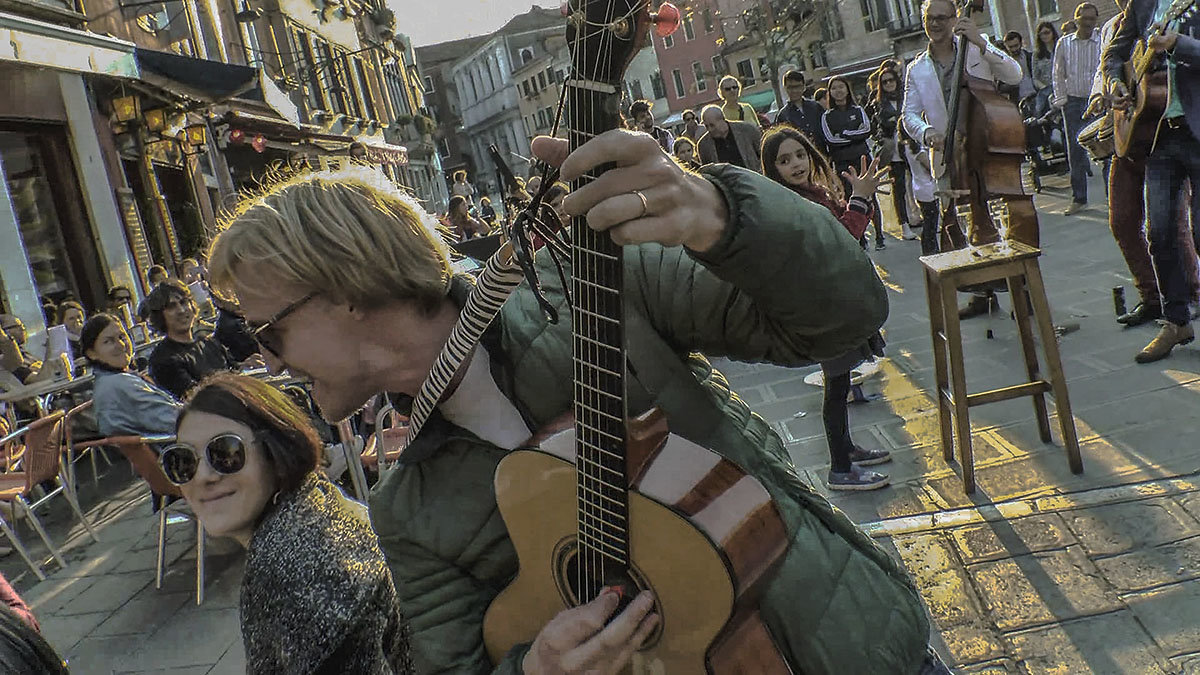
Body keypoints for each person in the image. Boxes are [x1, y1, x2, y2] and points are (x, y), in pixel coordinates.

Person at [206, 142, 938, 672]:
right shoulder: (408, 513)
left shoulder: (592, 284)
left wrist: (717, 213)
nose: (265, 360)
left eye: (270, 328)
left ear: (348, 289)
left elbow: (845, 316)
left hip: (857, 645)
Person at [166, 373, 414, 673]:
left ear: (275, 449)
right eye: (183, 461)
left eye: (225, 453)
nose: (203, 477)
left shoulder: (299, 572)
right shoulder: (312, 504)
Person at [760, 126, 893, 489]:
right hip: (822, 307)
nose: (796, 164)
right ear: (773, 171)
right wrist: (861, 198)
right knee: (835, 386)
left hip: (833, 301)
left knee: (841, 380)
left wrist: (857, 199)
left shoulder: (811, 193)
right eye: (784, 161)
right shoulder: (794, 204)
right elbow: (842, 240)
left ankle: (847, 449)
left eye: (799, 155)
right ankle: (839, 469)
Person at [902, 0, 1027, 316]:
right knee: (963, 222)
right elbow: (908, 116)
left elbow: (1014, 75)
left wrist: (982, 42)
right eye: (930, 18)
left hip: (986, 147)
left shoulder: (975, 50)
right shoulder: (916, 69)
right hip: (949, 156)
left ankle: (1021, 288)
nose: (936, 24)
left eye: (942, 17)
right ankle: (982, 293)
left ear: (955, 18)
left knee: (1002, 219)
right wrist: (926, 131)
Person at [1104, 0, 1200, 362]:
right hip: (1158, 132)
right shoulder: (1141, 3)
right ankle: (1176, 320)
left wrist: (1179, 44)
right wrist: (1115, 81)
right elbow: (1116, 51)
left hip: (1197, 128)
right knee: (1158, 232)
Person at [80, 313, 181, 438]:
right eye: (108, 341)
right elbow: (175, 421)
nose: (121, 345)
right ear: (92, 353)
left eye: (122, 337)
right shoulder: (120, 384)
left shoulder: (109, 381)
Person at [145, 280, 240, 400]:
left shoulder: (209, 343)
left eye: (184, 302)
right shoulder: (163, 360)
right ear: (160, 316)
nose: (181, 310)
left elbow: (235, 371)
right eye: (171, 307)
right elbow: (196, 398)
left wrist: (247, 366)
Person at [821, 76, 882, 249]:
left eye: (841, 87)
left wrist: (846, 134)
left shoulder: (857, 110)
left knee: (871, 197)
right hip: (843, 164)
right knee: (850, 199)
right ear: (830, 93)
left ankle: (879, 236)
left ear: (847, 90)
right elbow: (831, 140)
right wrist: (854, 136)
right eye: (834, 88)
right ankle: (860, 238)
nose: (838, 91)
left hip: (863, 159)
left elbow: (867, 130)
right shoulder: (827, 116)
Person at [1052, 2, 1102, 215]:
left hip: (1097, 101)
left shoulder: (1100, 40)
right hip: (1073, 102)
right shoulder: (1064, 43)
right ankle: (1079, 198)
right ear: (1076, 19)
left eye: (1092, 19)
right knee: (1075, 151)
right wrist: (1061, 98)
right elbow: (1057, 72)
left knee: (1105, 150)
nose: (1089, 24)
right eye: (1085, 19)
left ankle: (1112, 198)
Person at [870, 66, 917, 241]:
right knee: (899, 188)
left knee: (918, 181)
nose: (889, 84)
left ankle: (921, 216)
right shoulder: (877, 103)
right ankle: (904, 224)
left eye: (891, 80)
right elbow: (877, 127)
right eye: (885, 82)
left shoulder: (907, 97)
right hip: (894, 151)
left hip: (912, 146)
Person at [774, 69, 828, 154]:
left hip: (822, 154)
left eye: (798, 86)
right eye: (790, 87)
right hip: (799, 158)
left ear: (804, 87)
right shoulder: (783, 115)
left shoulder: (816, 107)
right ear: (785, 88)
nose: (794, 91)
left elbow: (826, 130)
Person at [697, 104, 762, 168]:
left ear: (722, 120)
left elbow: (762, 154)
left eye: (712, 125)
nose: (709, 129)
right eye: (706, 126)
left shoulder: (747, 130)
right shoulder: (703, 145)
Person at [1002, 31, 1038, 103]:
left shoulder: (1030, 57)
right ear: (1006, 46)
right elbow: (1000, 87)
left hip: (1036, 96)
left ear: (1021, 43)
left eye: (1016, 46)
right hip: (1018, 101)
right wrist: (1013, 83)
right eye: (1010, 47)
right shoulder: (1004, 63)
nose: (1014, 49)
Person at [1033, 22, 1059, 93]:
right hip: (1046, 90)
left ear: (1052, 32)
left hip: (1062, 88)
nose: (1044, 36)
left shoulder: (1060, 49)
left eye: (1047, 32)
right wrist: (1045, 88)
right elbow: (1035, 78)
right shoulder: (1036, 54)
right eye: (1041, 34)